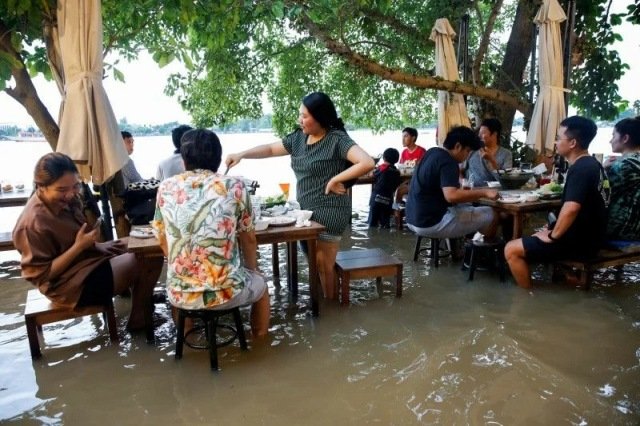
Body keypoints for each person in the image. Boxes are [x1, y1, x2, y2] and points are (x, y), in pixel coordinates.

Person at [225, 92, 375, 299]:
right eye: (300, 115)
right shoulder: (298, 139)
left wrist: (334, 180)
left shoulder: (336, 139)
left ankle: (333, 312)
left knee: (324, 266)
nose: (300, 120)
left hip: (330, 210)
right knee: (314, 264)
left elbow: (366, 162)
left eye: (304, 116)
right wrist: (241, 154)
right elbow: (269, 149)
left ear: (320, 117)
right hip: (304, 212)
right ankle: (324, 304)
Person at [12, 153, 162, 330]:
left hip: (87, 262)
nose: (70, 194)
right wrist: (78, 247)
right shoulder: (32, 224)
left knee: (147, 241)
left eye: (75, 186)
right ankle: (139, 318)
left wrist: (97, 246)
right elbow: (41, 275)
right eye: (61, 190)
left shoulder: (71, 199)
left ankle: (144, 301)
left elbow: (75, 238)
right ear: (41, 187)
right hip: (70, 287)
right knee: (149, 257)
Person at [152, 129, 270, 337]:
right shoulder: (235, 186)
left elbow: (162, 238)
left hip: (179, 293)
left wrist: (181, 268)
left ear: (184, 161)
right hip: (226, 292)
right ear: (217, 159)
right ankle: (260, 344)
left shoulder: (166, 187)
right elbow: (249, 239)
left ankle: (187, 344)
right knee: (261, 287)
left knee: (177, 289)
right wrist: (253, 271)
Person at [504, 116, 610, 288]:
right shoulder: (593, 164)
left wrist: (553, 236)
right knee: (537, 235)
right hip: (592, 237)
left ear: (573, 143)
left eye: (559, 138)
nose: (555, 142)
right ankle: (566, 280)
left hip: (581, 244)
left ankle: (527, 299)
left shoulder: (581, 169)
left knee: (511, 249)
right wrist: (551, 230)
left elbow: (571, 209)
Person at [405, 126, 499, 239]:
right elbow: (451, 196)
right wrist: (484, 192)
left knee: (467, 209)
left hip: (411, 219)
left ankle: (472, 244)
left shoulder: (432, 152)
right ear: (458, 146)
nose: (467, 156)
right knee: (491, 213)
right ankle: (483, 251)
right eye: (467, 151)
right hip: (430, 223)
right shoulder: (449, 161)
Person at [605, 116, 640, 240]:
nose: (610, 141)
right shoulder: (631, 162)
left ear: (625, 138)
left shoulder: (623, 166)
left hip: (623, 230)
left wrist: (603, 169)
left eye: (613, 136)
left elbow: (601, 195)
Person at [463, 118, 513, 186]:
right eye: (479, 133)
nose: (479, 136)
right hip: (473, 192)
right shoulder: (472, 151)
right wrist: (462, 182)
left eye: (483, 133)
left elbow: (505, 180)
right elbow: (459, 170)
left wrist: (491, 160)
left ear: (494, 134)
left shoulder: (506, 154)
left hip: (495, 192)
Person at [368, 148, 402, 228]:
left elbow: (372, 175)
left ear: (384, 158)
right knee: (385, 224)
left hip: (376, 199)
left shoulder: (382, 168)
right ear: (396, 160)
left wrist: (370, 171)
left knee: (372, 223)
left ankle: (372, 238)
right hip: (388, 200)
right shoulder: (397, 172)